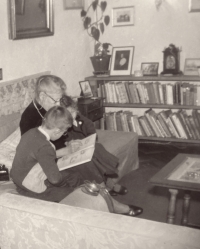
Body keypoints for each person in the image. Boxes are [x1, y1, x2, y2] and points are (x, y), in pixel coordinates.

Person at [19, 75, 143, 216]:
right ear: (42, 95)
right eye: (56, 100)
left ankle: (106, 186)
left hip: (60, 148)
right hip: (46, 159)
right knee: (86, 162)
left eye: (60, 99)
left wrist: (69, 142)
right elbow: (37, 153)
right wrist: (66, 150)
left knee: (93, 148)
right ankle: (111, 203)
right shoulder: (29, 118)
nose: (59, 103)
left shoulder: (49, 106)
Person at [60, 94, 128, 196]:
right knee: (93, 160)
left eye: (73, 112)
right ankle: (108, 186)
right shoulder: (62, 126)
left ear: (76, 109)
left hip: (84, 144)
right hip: (71, 151)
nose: (72, 116)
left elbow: (90, 128)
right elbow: (62, 142)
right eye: (68, 114)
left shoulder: (80, 118)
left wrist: (90, 136)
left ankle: (109, 182)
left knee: (98, 148)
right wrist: (68, 143)